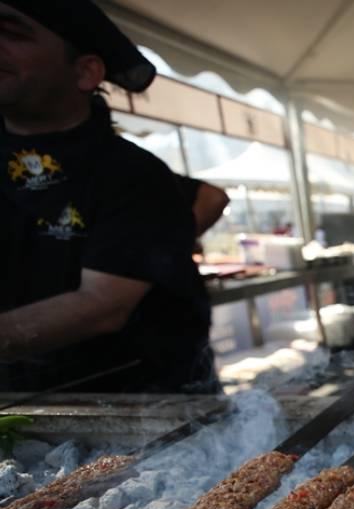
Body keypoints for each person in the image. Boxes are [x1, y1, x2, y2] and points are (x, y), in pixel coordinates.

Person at [0, 0, 218, 393]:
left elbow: (103, 305)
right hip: (20, 401)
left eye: (12, 33)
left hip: (142, 404)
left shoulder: (132, 172)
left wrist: (168, 243)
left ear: (85, 71)